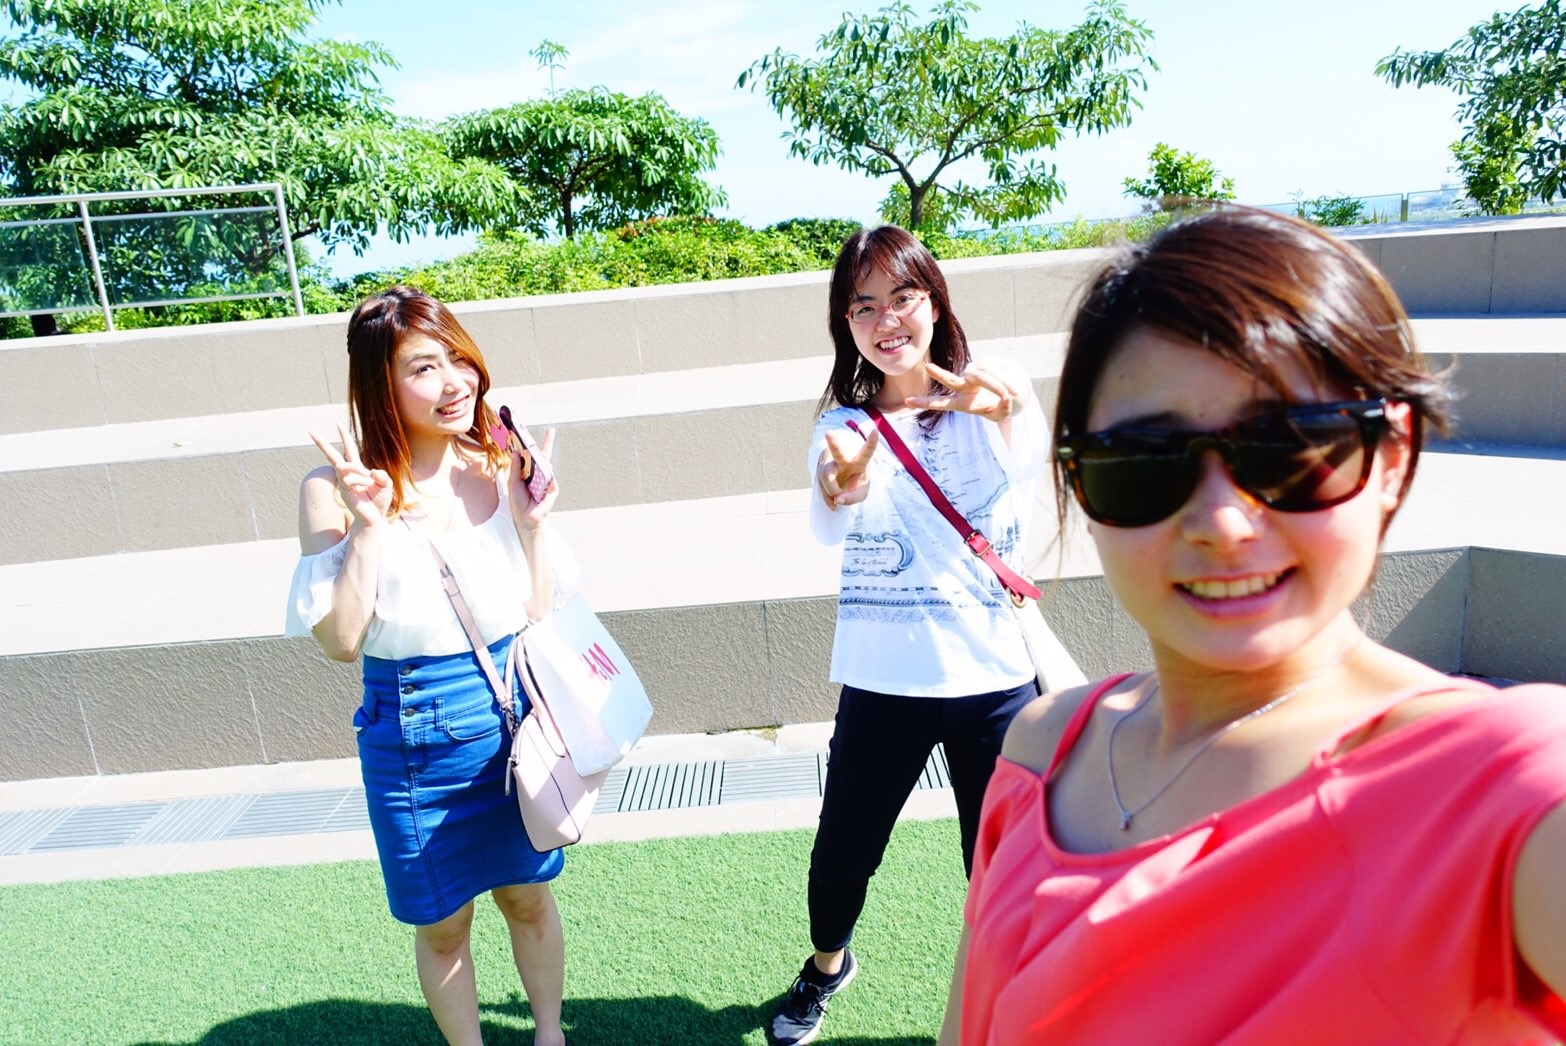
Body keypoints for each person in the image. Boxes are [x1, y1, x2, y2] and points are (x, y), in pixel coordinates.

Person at [941, 207, 1566, 1043]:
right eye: (1143, 463)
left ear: (1391, 459)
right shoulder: (1038, 753)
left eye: (1289, 449)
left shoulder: (1501, 782)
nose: (1222, 523)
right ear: (1080, 485)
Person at [770, 225, 1050, 1045]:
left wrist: (1004, 410)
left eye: (901, 298)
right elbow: (829, 516)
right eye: (863, 307)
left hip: (996, 680)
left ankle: (1011, 1004)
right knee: (841, 859)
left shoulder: (998, 387)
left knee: (998, 868)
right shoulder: (842, 423)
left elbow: (1029, 456)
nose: (885, 320)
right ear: (846, 324)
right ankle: (826, 966)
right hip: (883, 681)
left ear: (934, 301)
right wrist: (841, 480)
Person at [285, 286, 575, 1046]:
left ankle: (550, 1034)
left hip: (510, 711)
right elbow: (341, 641)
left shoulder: (497, 461)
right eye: (423, 368)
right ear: (380, 383)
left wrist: (531, 524)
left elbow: (537, 609)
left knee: (528, 897)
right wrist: (369, 527)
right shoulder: (331, 489)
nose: (454, 382)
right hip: (411, 728)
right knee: (443, 922)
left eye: (458, 359)